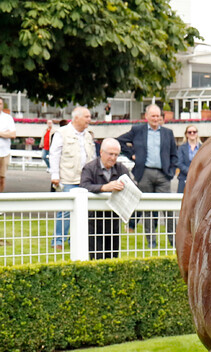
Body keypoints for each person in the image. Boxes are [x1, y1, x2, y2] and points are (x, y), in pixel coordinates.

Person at [117, 104, 178, 248]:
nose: (156, 119)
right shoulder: (138, 130)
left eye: (158, 116)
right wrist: (132, 155)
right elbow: (120, 141)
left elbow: (174, 154)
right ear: (147, 117)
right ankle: (151, 242)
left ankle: (173, 240)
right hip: (144, 173)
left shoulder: (168, 133)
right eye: (153, 116)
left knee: (168, 209)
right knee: (148, 209)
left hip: (163, 175)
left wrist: (171, 170)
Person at [49, 106, 95, 249]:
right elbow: (54, 155)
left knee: (83, 212)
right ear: (76, 118)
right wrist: (55, 175)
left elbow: (93, 157)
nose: (89, 119)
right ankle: (58, 241)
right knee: (65, 211)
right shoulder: (61, 133)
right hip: (68, 178)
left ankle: (75, 239)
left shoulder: (88, 135)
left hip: (86, 180)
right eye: (86, 117)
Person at [79, 138, 130, 260]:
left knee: (112, 258)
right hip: (94, 220)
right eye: (110, 154)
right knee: (97, 258)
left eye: (116, 155)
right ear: (101, 152)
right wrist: (104, 187)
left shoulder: (121, 168)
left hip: (113, 220)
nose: (113, 158)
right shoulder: (89, 168)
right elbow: (84, 186)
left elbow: (132, 186)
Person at [176, 125, 201, 193]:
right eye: (189, 132)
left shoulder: (202, 147)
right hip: (184, 178)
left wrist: (197, 172)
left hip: (199, 178)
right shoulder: (181, 148)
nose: (192, 133)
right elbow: (179, 163)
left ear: (197, 133)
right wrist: (190, 172)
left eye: (194, 132)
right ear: (186, 134)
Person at [0, 98, 16, 193]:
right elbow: (9, 134)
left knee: (1, 180)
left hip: (4, 153)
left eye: (0, 103)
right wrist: (5, 133)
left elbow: (13, 135)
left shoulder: (8, 118)